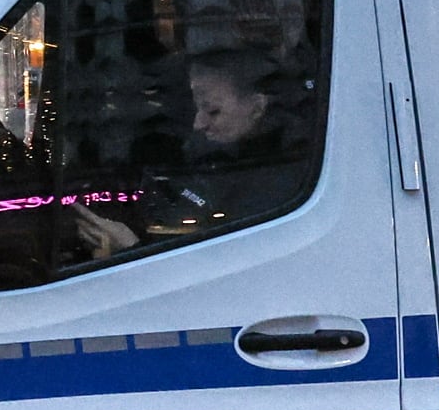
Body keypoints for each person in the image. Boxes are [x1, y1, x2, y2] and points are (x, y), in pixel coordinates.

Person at [70, 49, 301, 258]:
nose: (198, 124)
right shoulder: (204, 153)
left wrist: (130, 249)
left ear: (257, 107)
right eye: (196, 108)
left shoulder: (280, 183)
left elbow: (218, 275)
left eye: (213, 110)